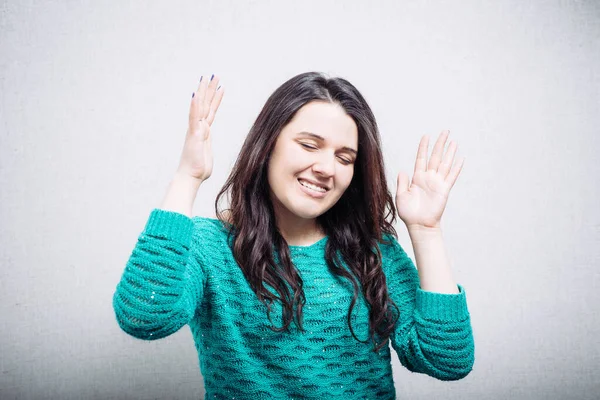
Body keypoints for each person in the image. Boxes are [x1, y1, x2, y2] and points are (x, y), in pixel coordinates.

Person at [112, 72, 475, 399]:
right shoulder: (211, 247)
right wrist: (187, 177)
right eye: (309, 144)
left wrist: (426, 232)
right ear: (268, 144)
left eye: (345, 158)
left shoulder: (372, 251)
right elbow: (144, 314)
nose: (325, 168)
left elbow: (447, 359)